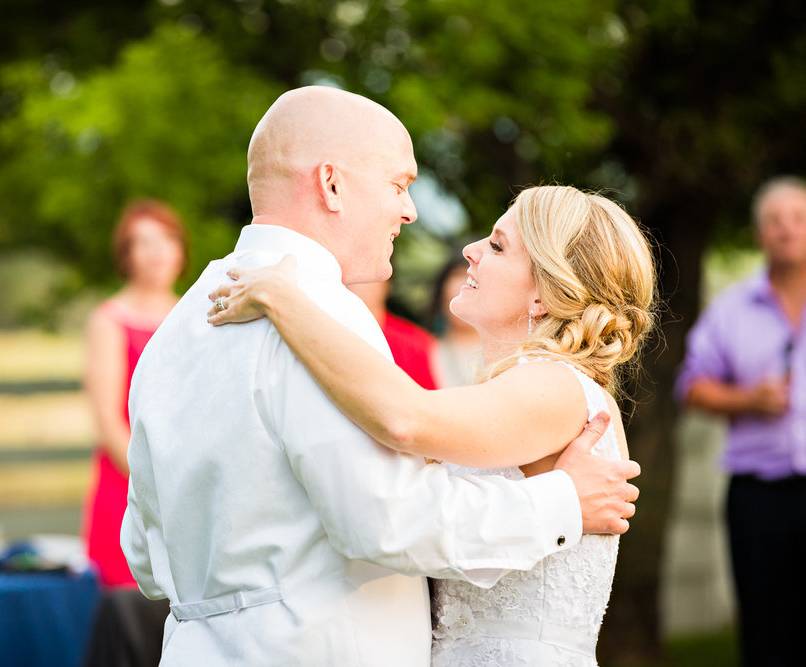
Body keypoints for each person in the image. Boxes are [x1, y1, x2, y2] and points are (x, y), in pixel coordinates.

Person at [121, 86, 639, 666]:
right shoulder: (315, 314)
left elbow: (143, 553)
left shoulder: (177, 327)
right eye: (399, 184)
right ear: (332, 184)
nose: (412, 210)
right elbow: (388, 520)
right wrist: (562, 503)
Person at [208, 184, 656, 664]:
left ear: (545, 295)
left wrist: (286, 302)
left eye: (498, 246)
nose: (470, 250)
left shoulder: (557, 388)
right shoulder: (524, 392)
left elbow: (402, 417)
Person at [675, 175, 806, 667]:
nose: (787, 230)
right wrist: (747, 400)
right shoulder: (730, 309)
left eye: (798, 219)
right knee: (766, 629)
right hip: (758, 496)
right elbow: (691, 386)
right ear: (759, 235)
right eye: (774, 221)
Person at [81, 199, 187, 588]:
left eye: (166, 240)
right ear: (126, 255)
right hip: (132, 488)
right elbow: (109, 423)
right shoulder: (109, 321)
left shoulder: (195, 313)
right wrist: (160, 485)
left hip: (189, 488)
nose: (157, 253)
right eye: (143, 243)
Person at [349, 278, 438, 388]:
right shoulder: (330, 333)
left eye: (368, 280)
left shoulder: (418, 343)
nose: (358, 285)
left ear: (387, 284)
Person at [427, 248, 483, 387]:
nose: (464, 285)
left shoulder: (516, 359)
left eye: (474, 279)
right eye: (458, 275)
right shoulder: (416, 350)